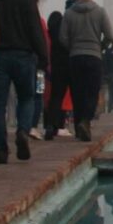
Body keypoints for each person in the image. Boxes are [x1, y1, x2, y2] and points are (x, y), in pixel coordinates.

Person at [0, 0, 47, 165]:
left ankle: (1, 150)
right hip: (24, 55)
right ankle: (23, 130)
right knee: (27, 98)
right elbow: (35, 28)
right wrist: (43, 56)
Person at [59, 0, 113, 142]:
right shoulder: (100, 11)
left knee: (77, 92)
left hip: (75, 57)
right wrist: (99, 47)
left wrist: (73, 48)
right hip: (94, 57)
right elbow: (109, 35)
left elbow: (62, 37)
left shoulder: (68, 14)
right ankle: (86, 121)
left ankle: (78, 128)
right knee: (92, 91)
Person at [43, 8, 71, 138]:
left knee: (46, 98)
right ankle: (60, 125)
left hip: (43, 72)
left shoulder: (47, 36)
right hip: (63, 68)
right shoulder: (63, 36)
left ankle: (47, 125)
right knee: (62, 98)